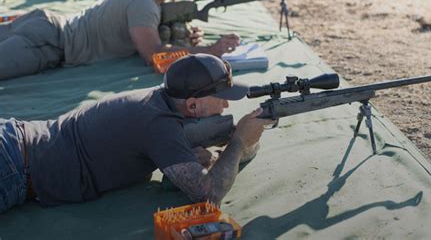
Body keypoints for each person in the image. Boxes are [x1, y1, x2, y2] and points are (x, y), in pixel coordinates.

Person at [0, 54, 273, 213]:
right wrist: (237, 142)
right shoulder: (158, 124)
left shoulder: (157, 100)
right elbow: (207, 194)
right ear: (192, 104)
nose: (226, 104)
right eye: (221, 97)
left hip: (16, 143)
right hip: (12, 165)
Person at [0, 0, 239, 81]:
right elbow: (155, 57)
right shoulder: (143, 4)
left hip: (44, 23)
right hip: (47, 44)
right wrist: (211, 51)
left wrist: (182, 38)